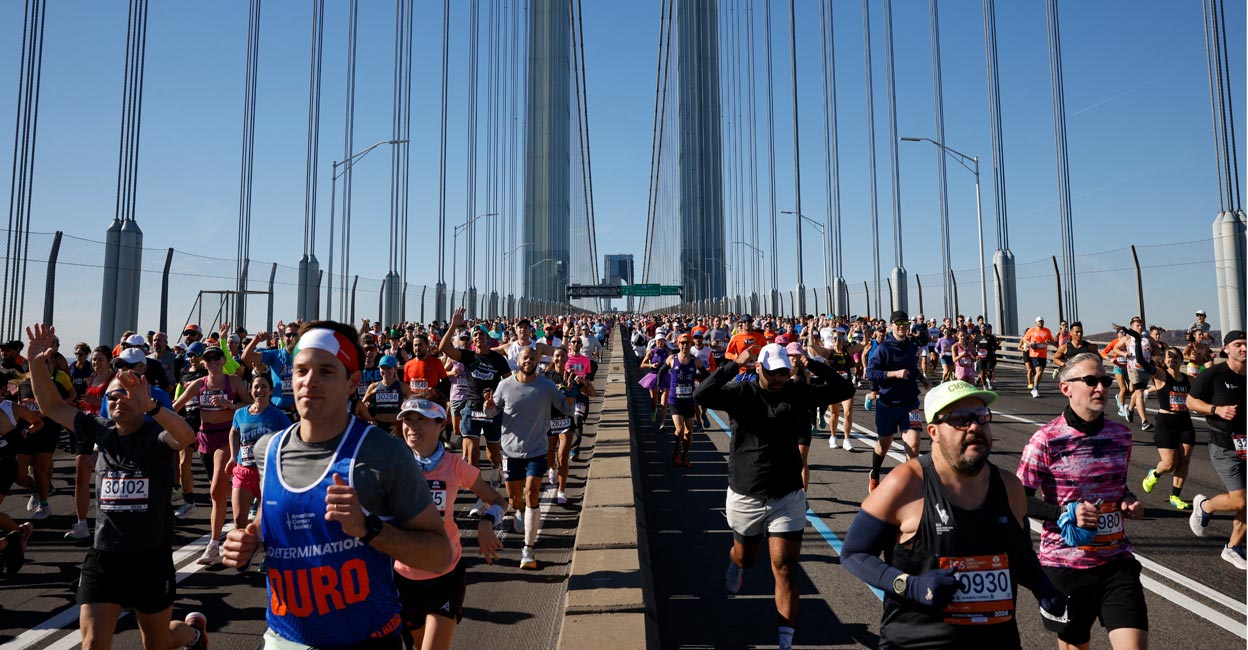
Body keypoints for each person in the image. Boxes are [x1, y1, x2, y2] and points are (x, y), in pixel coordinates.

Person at [221, 320, 452, 648]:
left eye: (326, 371)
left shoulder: (384, 453)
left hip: (366, 638)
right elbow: (269, 521)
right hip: (284, 639)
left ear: (352, 382)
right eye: (301, 371)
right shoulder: (267, 450)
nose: (309, 381)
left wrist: (369, 530)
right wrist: (245, 541)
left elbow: (441, 556)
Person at [840, 380, 1068, 649]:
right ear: (934, 431)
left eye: (982, 417)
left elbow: (1019, 553)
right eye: (960, 419)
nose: (974, 427)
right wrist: (909, 585)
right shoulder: (906, 483)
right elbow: (854, 554)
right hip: (919, 642)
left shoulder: (1009, 486)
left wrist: (1042, 585)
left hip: (998, 641)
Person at [26, 323, 208, 650]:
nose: (118, 399)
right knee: (93, 643)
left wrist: (152, 406)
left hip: (150, 558)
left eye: (126, 393)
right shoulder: (102, 431)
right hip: (105, 556)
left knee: (157, 641)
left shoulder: (155, 436)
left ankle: (192, 635)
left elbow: (186, 437)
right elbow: (53, 407)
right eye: (112, 395)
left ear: (142, 397)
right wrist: (36, 364)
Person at [694, 343, 854, 650]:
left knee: (784, 566)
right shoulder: (742, 394)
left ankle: (785, 643)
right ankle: (735, 564)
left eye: (784, 371)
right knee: (747, 557)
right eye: (773, 372)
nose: (780, 377)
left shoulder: (798, 391)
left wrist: (814, 364)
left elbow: (843, 388)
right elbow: (702, 395)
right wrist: (732, 366)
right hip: (747, 493)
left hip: (787, 494)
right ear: (759, 369)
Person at [1016, 352, 1148, 650]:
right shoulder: (1046, 440)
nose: (1101, 387)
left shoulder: (1121, 435)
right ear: (1067, 388)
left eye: (1104, 380)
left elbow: (1115, 487)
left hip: (1117, 562)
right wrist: (1064, 513)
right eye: (1091, 381)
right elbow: (1018, 500)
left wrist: (1128, 501)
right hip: (1067, 566)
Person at [392, 397, 505, 650]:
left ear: (441, 424)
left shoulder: (455, 466)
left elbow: (498, 500)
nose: (412, 427)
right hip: (402, 577)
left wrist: (487, 522)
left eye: (421, 419)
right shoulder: (394, 466)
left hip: (445, 574)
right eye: (407, 420)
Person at [484, 345, 574, 570]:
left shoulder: (547, 385)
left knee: (532, 492)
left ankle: (528, 549)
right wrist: (488, 407)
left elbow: (566, 409)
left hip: (537, 450)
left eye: (533, 358)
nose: (528, 361)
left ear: (537, 360)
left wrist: (570, 397)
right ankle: (521, 512)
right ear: (519, 359)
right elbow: (492, 412)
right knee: (515, 500)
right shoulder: (505, 385)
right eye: (525, 357)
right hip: (510, 451)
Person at [172, 345, 252, 564]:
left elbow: (251, 404)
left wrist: (231, 405)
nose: (213, 361)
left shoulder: (233, 382)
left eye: (217, 357)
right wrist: (150, 416)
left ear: (224, 360)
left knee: (216, 488)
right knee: (220, 491)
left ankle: (214, 545)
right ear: (204, 362)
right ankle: (247, 495)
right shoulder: (198, 384)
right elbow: (175, 406)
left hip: (228, 436)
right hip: (204, 438)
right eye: (209, 358)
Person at [1186, 330, 1247, 569]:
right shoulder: (1214, 374)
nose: (1244, 348)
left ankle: (1232, 548)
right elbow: (1191, 402)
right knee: (1242, 501)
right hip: (1225, 445)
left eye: (1247, 344)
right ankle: (1205, 506)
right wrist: (1216, 410)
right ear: (1226, 349)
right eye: (1239, 344)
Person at [437, 309, 513, 499]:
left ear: (488, 338)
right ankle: (481, 495)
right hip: (471, 407)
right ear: (472, 340)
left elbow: (508, 383)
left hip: (492, 410)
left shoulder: (498, 360)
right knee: (472, 455)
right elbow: (443, 348)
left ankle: (497, 468)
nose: (478, 337)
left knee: (493, 454)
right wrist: (454, 325)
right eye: (475, 334)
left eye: (481, 334)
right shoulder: (468, 356)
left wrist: (498, 400)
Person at [865, 311, 932, 493]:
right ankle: (875, 473)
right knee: (884, 445)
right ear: (891, 326)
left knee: (914, 445)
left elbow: (911, 368)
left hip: (910, 404)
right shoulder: (883, 349)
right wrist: (894, 374)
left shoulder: (911, 347)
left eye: (904, 323)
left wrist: (922, 379)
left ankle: (911, 488)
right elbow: (870, 373)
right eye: (898, 323)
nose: (902, 326)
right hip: (887, 404)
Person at [225, 374, 290, 538]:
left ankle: (266, 556)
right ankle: (243, 558)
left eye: (264, 387)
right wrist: (233, 456)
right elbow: (234, 432)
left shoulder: (278, 416)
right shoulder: (240, 414)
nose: (259, 390)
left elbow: (291, 438)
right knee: (239, 520)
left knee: (269, 520)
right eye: (256, 387)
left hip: (267, 475)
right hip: (243, 471)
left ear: (271, 391)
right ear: (250, 390)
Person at [1139, 348, 1195, 510]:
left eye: (1176, 357)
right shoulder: (1161, 374)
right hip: (1166, 422)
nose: (1173, 359)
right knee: (1170, 464)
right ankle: (1154, 474)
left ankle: (1175, 496)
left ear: (1181, 360)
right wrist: (1137, 341)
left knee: (1184, 461)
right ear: (1164, 360)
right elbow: (1143, 363)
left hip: (1184, 421)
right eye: (1169, 357)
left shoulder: (1189, 380)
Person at [666, 334, 706, 468]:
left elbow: (706, 375)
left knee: (689, 433)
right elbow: (661, 372)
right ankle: (677, 450)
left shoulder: (696, 361)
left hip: (689, 401)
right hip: (675, 400)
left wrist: (705, 384)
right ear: (678, 344)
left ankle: (685, 455)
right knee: (680, 430)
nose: (685, 345)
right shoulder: (672, 358)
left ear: (691, 344)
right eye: (682, 343)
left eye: (687, 343)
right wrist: (661, 385)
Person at [356, 355, 411, 433]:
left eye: (388, 368)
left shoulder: (403, 387)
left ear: (395, 368)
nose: (385, 371)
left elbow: (411, 406)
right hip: (379, 425)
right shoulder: (373, 386)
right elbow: (361, 406)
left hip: (396, 426)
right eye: (382, 368)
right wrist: (369, 400)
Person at [1020, 317, 1055, 398]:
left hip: (1043, 354)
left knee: (1040, 373)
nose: (1041, 323)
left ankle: (1035, 388)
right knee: (1038, 371)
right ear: (1036, 322)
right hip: (1034, 354)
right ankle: (1035, 389)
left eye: (1042, 321)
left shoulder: (1047, 330)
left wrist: (1058, 347)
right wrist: (1030, 344)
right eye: (1039, 321)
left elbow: (1051, 340)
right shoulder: (1032, 330)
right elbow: (1024, 339)